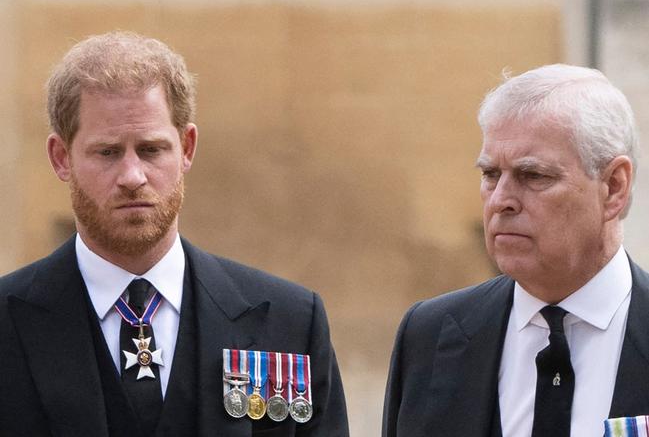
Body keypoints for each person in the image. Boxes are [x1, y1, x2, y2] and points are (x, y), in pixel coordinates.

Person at [0, 31, 348, 436]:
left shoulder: (289, 321)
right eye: (108, 152)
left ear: (186, 148)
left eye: (151, 150)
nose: (132, 177)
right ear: (62, 158)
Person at [382, 64, 647, 437]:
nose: (501, 200)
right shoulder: (430, 334)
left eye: (533, 176)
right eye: (491, 174)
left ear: (614, 187)